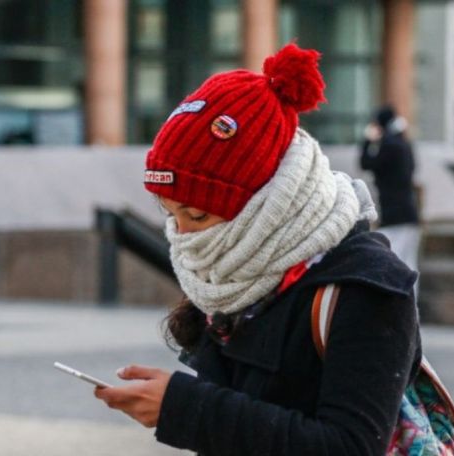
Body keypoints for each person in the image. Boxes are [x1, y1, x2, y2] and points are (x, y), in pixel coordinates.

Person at [94, 44, 421, 455]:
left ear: (265, 203)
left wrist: (182, 407)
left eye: (196, 214)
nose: (182, 233)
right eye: (169, 212)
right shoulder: (238, 265)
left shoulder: (366, 287)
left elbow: (349, 445)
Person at [360, 105, 420, 277]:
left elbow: (366, 163)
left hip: (394, 216)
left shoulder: (389, 145)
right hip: (408, 213)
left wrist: (368, 141)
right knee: (408, 266)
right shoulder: (404, 144)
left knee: (392, 264)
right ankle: (411, 304)